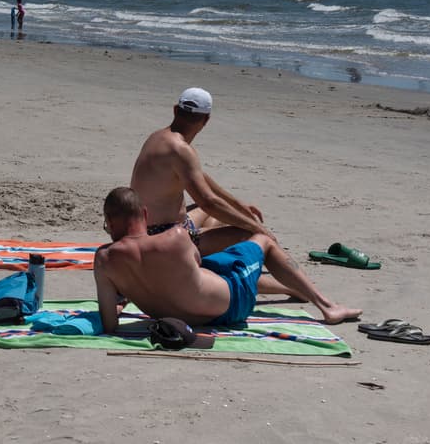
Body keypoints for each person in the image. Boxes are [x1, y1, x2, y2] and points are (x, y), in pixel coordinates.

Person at [93, 187, 360, 333]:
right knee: (261, 240)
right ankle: (327, 307)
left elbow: (110, 324)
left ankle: (290, 287)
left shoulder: (104, 260)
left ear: (109, 221)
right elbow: (196, 259)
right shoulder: (174, 237)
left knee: (210, 268)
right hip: (229, 307)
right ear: (144, 213)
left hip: (174, 317)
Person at [131, 86, 307, 299]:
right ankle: (290, 287)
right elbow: (208, 202)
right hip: (164, 237)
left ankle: (217, 244)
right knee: (250, 235)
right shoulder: (181, 150)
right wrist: (256, 226)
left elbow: (200, 178)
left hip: (144, 227)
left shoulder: (159, 137)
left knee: (219, 216)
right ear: (206, 120)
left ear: (176, 110)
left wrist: (239, 206)